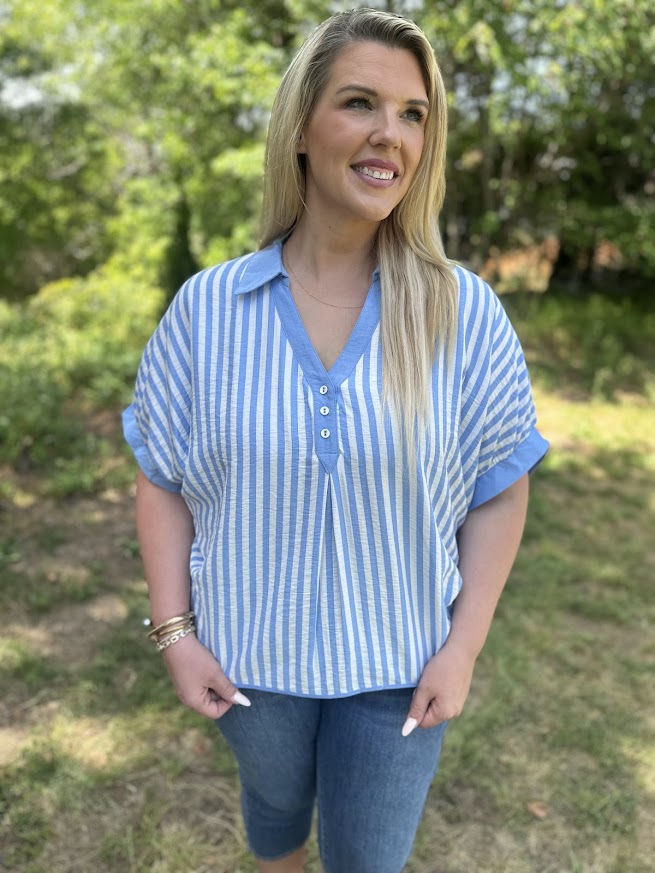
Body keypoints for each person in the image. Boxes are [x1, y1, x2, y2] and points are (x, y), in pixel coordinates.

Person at [123, 8, 549, 873]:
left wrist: (461, 647)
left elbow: (500, 485)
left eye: (413, 113)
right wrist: (176, 632)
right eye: (360, 103)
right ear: (303, 131)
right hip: (248, 660)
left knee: (366, 859)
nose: (389, 135)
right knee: (276, 809)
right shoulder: (208, 311)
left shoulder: (461, 313)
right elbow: (159, 473)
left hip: (397, 666)